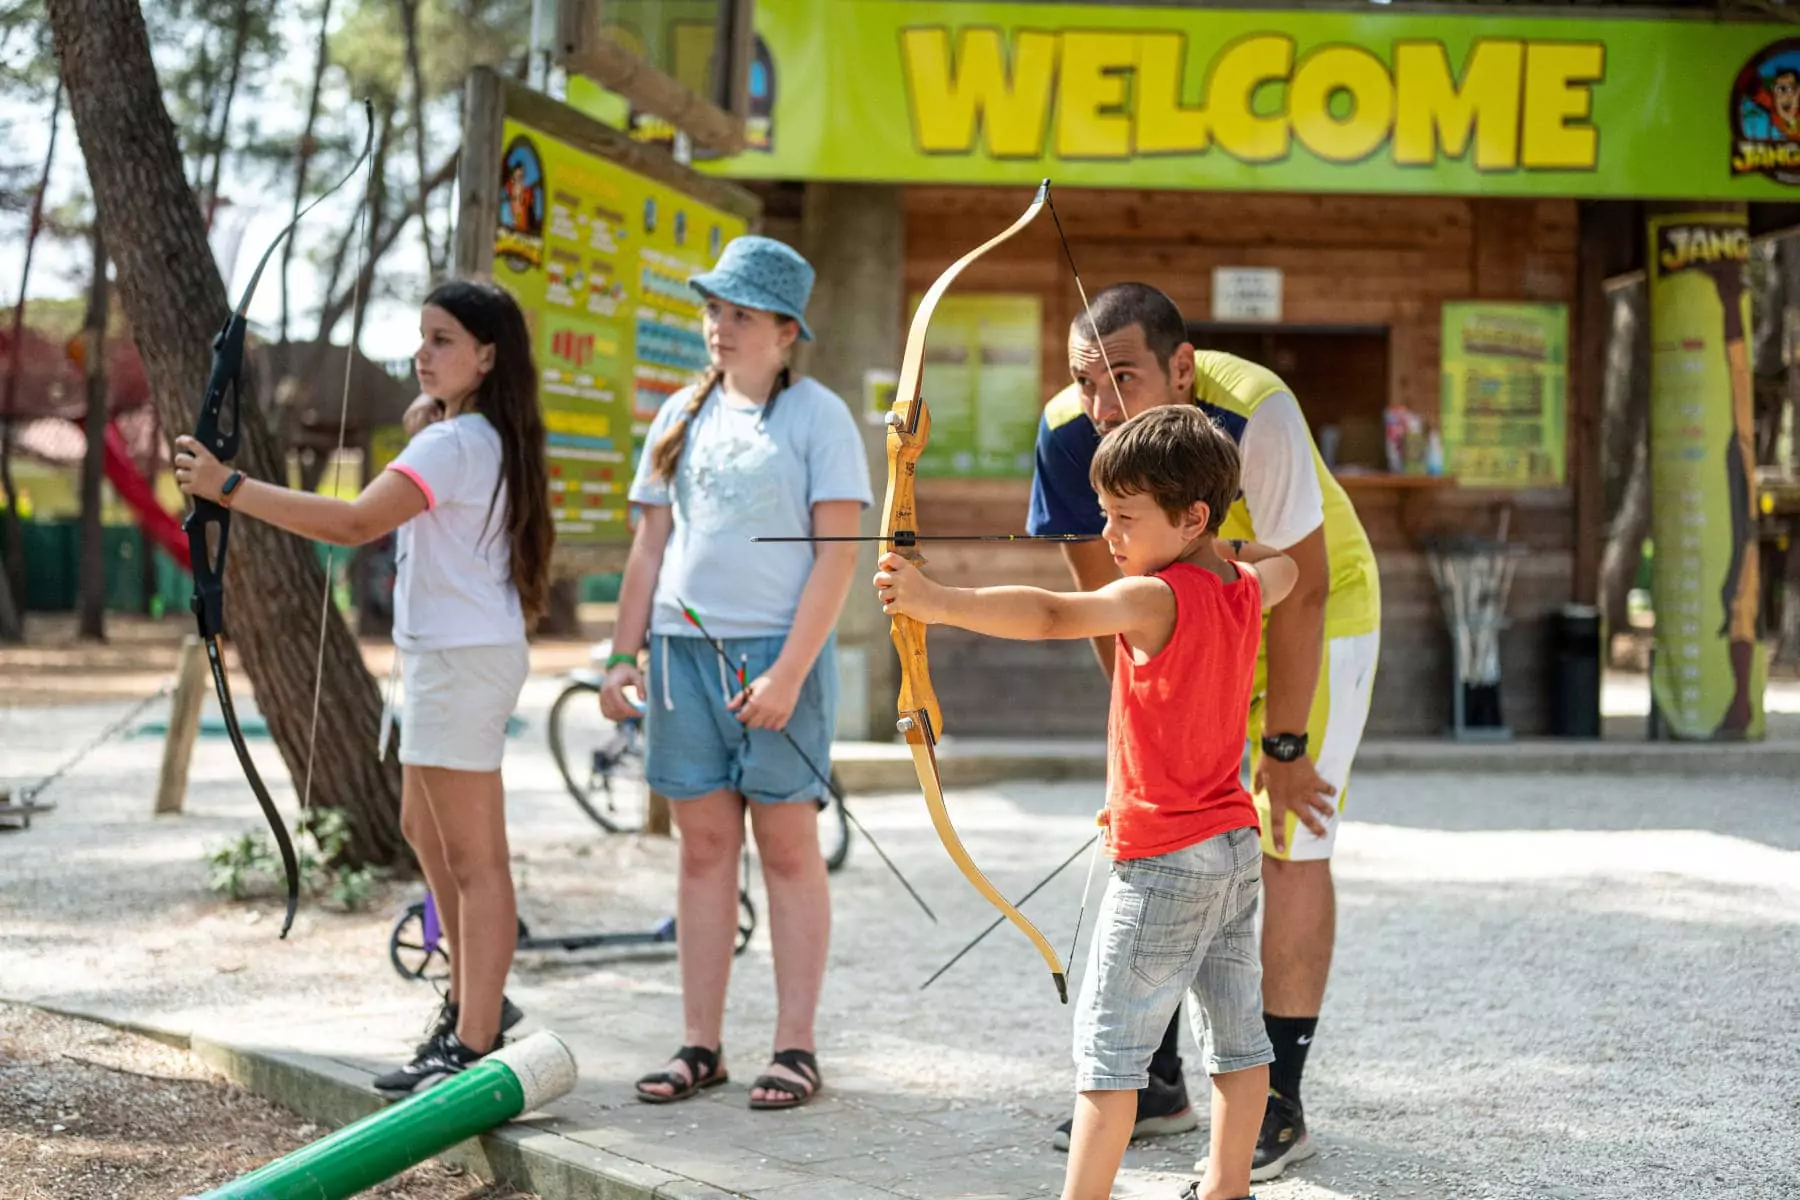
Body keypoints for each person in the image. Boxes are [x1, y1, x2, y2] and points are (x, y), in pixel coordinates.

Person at [877, 405, 1297, 1200]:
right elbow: (1289, 567)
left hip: (1166, 861)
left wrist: (935, 600)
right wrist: (1221, 548)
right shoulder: (1242, 586)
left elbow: (1051, 613)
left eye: (1126, 518)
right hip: (1234, 850)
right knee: (1239, 1040)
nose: (1109, 536)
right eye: (1105, 514)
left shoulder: (1151, 595)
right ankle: (1226, 1186)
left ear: (1193, 514)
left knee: (1109, 1054)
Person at [1029, 283, 1381, 1179]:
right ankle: (1155, 1088)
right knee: (1160, 830)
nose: (1101, 406)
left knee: (1286, 835)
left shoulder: (1258, 408)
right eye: (1085, 381)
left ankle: (1283, 1106)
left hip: (1310, 608)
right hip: (1186, 623)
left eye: (1124, 377)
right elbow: (1101, 610)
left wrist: (1284, 750)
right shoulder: (1071, 430)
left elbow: (1301, 588)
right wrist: (1152, 747)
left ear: (1181, 369)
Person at [174, 280, 554, 1093]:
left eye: (443, 339)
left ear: (487, 356)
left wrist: (227, 487)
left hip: (460, 661)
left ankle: (474, 1036)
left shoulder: (456, 445)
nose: (423, 353)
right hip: (447, 657)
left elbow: (353, 524)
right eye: (420, 337)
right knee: (424, 828)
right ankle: (472, 999)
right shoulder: (469, 435)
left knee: (476, 857)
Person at [598, 235, 871, 1111]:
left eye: (740, 314)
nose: (719, 326)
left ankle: (795, 1048)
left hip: (781, 659)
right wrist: (620, 652)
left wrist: (790, 673)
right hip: (682, 658)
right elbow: (649, 549)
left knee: (787, 850)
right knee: (703, 849)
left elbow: (836, 560)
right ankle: (700, 1045)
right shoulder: (679, 414)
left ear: (786, 331)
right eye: (714, 309)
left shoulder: (820, 418)